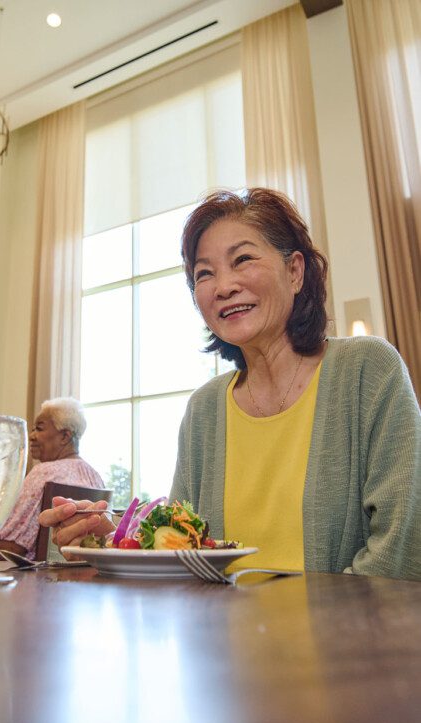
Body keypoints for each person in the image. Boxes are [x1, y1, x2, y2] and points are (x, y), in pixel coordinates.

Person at [39, 188, 421, 580]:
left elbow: (401, 550)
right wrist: (111, 539)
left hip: (343, 638)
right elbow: (186, 551)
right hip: (220, 639)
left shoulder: (367, 371)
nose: (223, 286)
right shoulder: (204, 409)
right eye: (205, 273)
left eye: (243, 260)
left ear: (295, 272)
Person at [0, 397, 104, 560]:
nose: (32, 436)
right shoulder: (94, 476)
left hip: (34, 582)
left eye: (39, 429)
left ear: (65, 436)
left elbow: (5, 549)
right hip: (77, 577)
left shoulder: (43, 472)